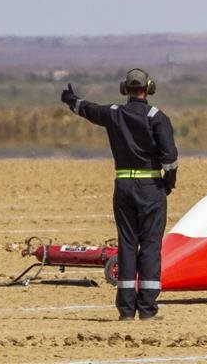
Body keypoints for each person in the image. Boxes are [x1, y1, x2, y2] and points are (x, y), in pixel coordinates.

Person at [60, 68, 178, 321]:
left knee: (126, 244)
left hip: (123, 188)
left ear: (125, 89)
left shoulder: (114, 114)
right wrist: (169, 183)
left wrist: (71, 100)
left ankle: (125, 309)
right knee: (149, 246)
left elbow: (88, 109)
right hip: (151, 189)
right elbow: (170, 159)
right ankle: (147, 309)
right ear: (149, 87)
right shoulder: (157, 118)